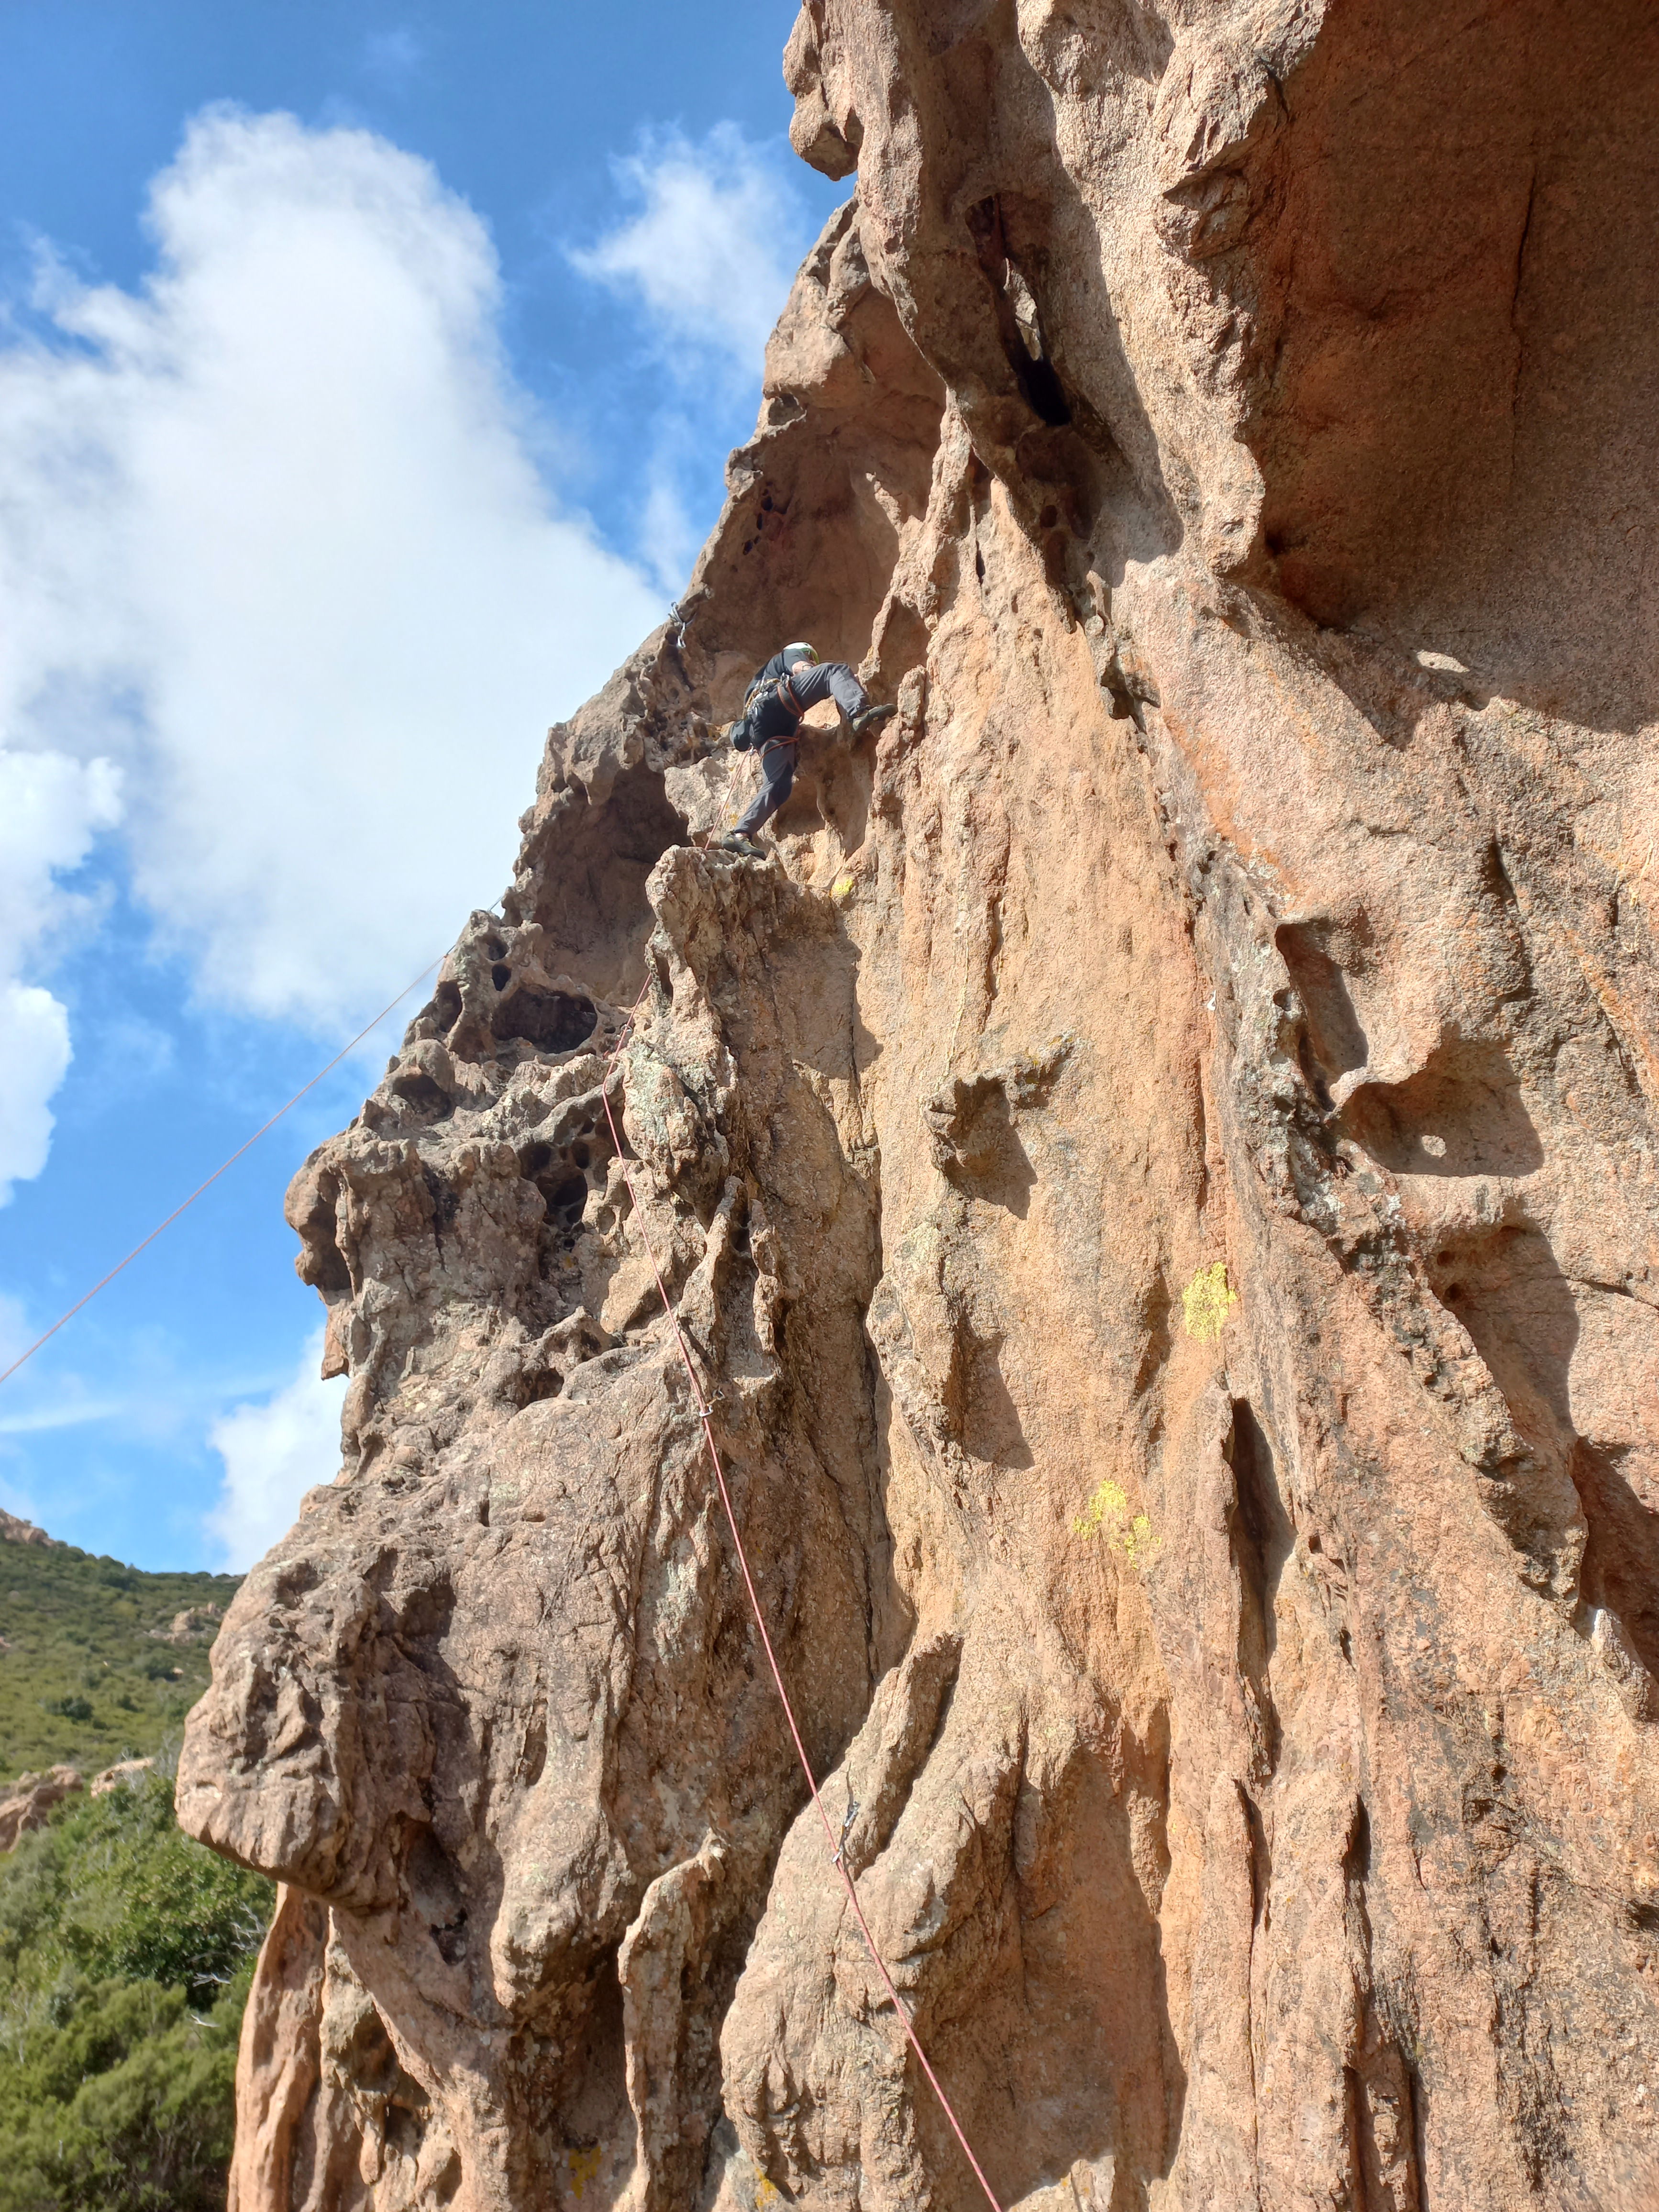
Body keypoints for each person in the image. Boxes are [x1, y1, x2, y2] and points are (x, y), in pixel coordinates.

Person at [718, 643, 895, 857]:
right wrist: (815, 675)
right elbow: (801, 668)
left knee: (779, 785)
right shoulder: (789, 654)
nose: (812, 662)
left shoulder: (757, 682)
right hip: (776, 703)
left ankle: (740, 834)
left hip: (764, 731)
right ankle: (858, 712)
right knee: (834, 671)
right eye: (812, 659)